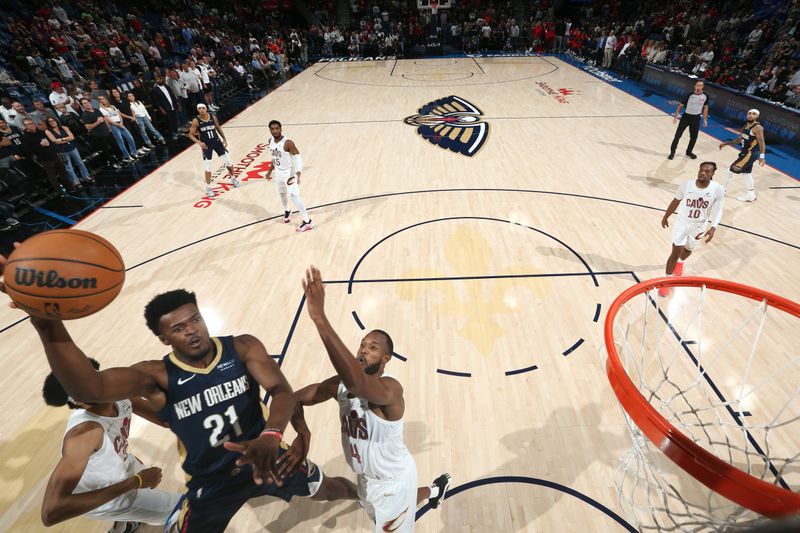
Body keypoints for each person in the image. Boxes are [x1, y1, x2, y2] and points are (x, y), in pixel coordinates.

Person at [0, 283, 360, 533]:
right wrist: (45, 321)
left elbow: (282, 391)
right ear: (163, 338)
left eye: (195, 320)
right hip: (210, 482)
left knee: (330, 489)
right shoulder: (155, 377)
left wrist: (272, 433)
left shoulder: (243, 347)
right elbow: (88, 387)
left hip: (269, 457)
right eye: (178, 328)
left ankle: (363, 494)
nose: (192, 331)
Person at [296, 266, 451, 531]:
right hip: (367, 478)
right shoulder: (340, 387)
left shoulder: (390, 390)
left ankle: (432, 491)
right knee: (371, 508)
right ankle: (436, 490)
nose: (364, 350)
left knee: (385, 516)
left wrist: (320, 319)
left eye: (373, 348)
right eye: (363, 345)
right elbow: (294, 399)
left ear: (385, 359)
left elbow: (359, 382)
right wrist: (303, 435)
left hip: (393, 483)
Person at [40, 358, 181, 532]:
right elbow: (51, 512)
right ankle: (125, 515)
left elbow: (166, 419)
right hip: (103, 499)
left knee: (147, 477)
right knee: (186, 510)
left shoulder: (117, 395)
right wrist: (136, 481)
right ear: (77, 400)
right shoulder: (84, 434)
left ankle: (124, 525)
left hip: (120, 468)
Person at [659, 162, 725, 297]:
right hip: (682, 222)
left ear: (713, 174)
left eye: (707, 171)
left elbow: (718, 210)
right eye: (701, 170)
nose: (703, 173)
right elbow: (675, 201)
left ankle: (681, 262)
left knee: (688, 250)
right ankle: (666, 281)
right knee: (676, 250)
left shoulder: (717, 189)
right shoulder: (686, 185)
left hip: (699, 225)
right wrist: (666, 216)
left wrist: (713, 227)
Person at [265, 120, 314, 232]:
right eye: (272, 129)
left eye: (277, 128)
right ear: (270, 130)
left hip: (289, 173)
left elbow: (298, 158)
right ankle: (287, 211)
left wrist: (298, 173)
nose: (275, 130)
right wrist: (269, 171)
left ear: (281, 128)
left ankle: (308, 221)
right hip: (278, 172)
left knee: (294, 196)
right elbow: (274, 158)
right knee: (281, 193)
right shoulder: (270, 141)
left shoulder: (288, 143)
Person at [187, 103, 240, 197]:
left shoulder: (213, 117)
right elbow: (190, 134)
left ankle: (233, 178)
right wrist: (199, 143)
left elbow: (218, 128)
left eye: (203, 108)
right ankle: (208, 187)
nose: (202, 110)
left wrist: (224, 139)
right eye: (199, 108)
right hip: (206, 146)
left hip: (217, 143)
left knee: (228, 162)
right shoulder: (196, 121)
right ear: (198, 110)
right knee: (208, 167)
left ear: (206, 109)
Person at [719, 109, 766, 202]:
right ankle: (751, 195)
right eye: (749, 113)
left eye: (754, 114)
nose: (751, 115)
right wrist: (727, 143)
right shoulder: (746, 126)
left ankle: (722, 190)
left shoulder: (758, 128)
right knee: (747, 173)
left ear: (757, 116)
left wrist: (762, 157)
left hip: (750, 154)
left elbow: (762, 142)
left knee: (729, 171)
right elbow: (740, 139)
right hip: (745, 153)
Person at [44, 116, 94, 187]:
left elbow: (72, 137)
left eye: (53, 120)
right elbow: (55, 141)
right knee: (69, 168)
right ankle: (76, 182)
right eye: (50, 121)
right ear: (48, 123)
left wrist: (61, 139)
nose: (52, 122)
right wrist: (66, 139)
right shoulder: (48, 131)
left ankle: (86, 177)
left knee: (80, 163)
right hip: (61, 151)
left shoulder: (64, 127)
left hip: (72, 148)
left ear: (56, 120)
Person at [98, 95, 147, 163]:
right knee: (121, 141)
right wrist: (118, 124)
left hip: (120, 123)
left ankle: (134, 153)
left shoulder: (112, 106)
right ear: (99, 101)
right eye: (101, 99)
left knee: (130, 138)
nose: (103, 100)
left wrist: (121, 123)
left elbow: (119, 115)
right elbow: (108, 119)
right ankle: (127, 156)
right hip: (113, 125)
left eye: (103, 98)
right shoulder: (101, 109)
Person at [669, 80, 709, 160]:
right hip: (686, 117)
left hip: (696, 118)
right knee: (677, 135)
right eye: (697, 85)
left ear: (703, 87)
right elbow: (681, 105)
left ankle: (689, 152)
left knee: (694, 137)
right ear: (695, 86)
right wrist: (676, 116)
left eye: (700, 85)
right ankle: (672, 152)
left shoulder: (705, 96)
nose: (698, 87)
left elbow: (705, 107)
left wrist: (705, 119)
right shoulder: (689, 95)